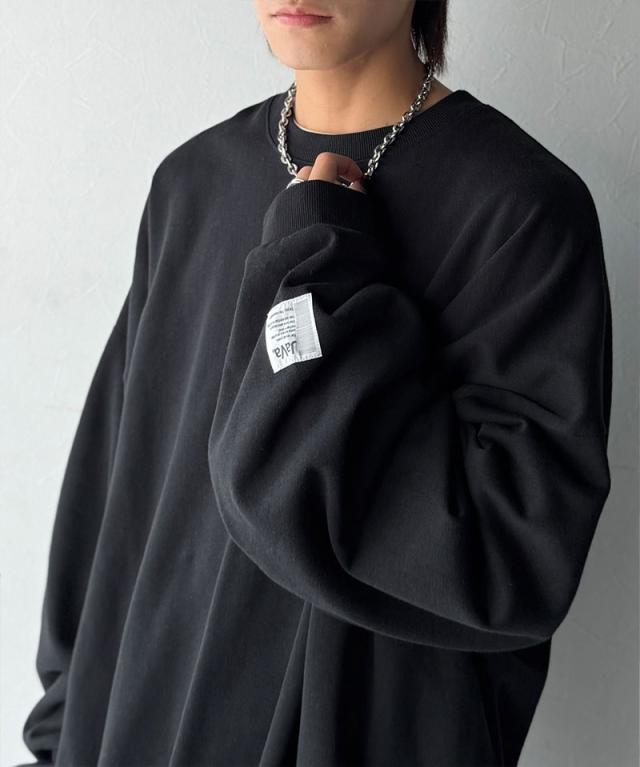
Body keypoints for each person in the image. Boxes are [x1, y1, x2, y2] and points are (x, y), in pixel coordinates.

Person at [16, 1, 612, 766]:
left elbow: (511, 564)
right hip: (136, 732)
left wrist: (321, 266)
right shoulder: (192, 185)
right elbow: (115, 495)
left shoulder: (519, 209)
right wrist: (63, 732)